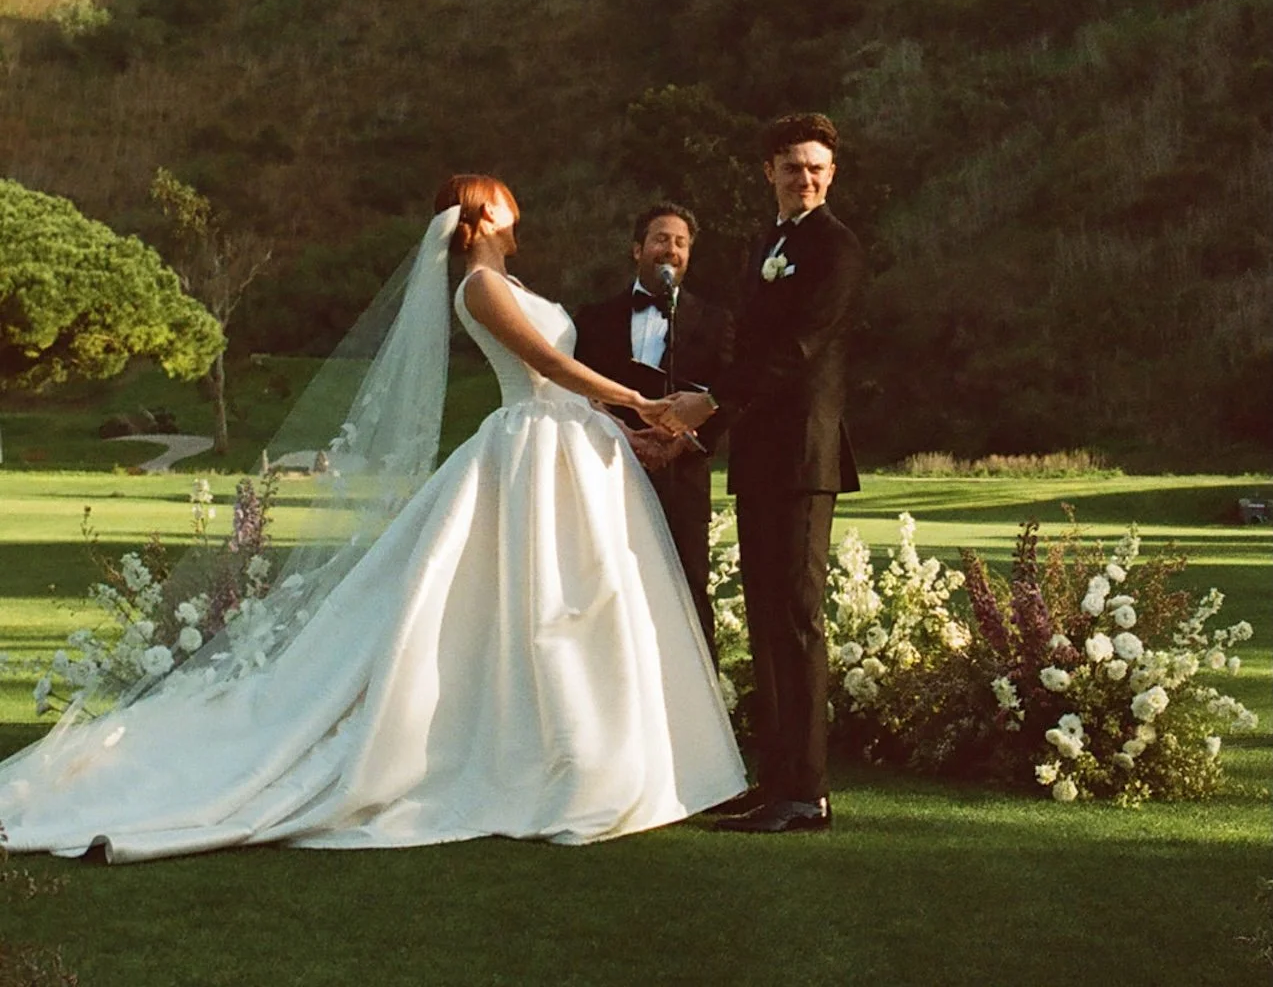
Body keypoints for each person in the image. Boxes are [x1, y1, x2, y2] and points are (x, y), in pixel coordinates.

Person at [0, 176, 745, 860]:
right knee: (537, 602)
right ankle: (548, 759)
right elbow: (545, 369)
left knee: (590, 599)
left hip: (573, 447)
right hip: (528, 448)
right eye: (508, 202)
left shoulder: (514, 282)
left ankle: (606, 752)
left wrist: (624, 428)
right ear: (484, 214)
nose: (520, 211)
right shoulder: (481, 288)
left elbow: (563, 381)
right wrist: (637, 399)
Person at [663, 114, 866, 834]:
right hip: (756, 456)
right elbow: (740, 349)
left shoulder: (836, 250)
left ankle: (807, 793)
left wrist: (711, 405)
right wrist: (697, 426)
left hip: (803, 459)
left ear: (831, 173)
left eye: (815, 167)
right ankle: (774, 778)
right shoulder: (762, 248)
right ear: (768, 172)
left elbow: (799, 351)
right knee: (764, 619)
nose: (803, 177)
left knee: (796, 620)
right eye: (791, 167)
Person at [573, 203, 733, 661]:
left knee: (689, 593)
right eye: (662, 239)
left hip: (683, 479)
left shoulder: (716, 321)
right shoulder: (595, 318)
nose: (672, 249)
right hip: (610, 470)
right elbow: (578, 387)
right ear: (637, 248)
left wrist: (683, 440)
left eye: (682, 242)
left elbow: (728, 397)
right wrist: (624, 434)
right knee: (607, 590)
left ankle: (702, 717)